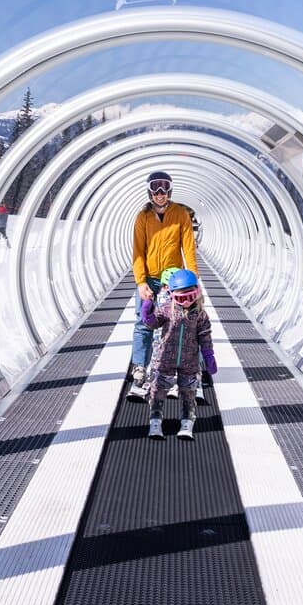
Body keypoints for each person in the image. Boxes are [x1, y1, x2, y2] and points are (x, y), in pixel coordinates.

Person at [129, 171, 197, 393]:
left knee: (174, 322)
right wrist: (141, 282)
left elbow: (188, 248)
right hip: (149, 277)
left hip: (173, 280)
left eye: (164, 188)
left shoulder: (180, 214)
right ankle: (140, 365)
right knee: (144, 321)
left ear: (170, 190)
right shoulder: (143, 217)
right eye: (156, 188)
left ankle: (173, 366)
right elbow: (138, 252)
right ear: (150, 191)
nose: (160, 193)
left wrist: (193, 279)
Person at [139, 268, 216, 440]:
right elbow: (153, 323)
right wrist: (147, 309)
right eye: (182, 298)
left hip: (189, 362)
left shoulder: (201, 315)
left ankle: (187, 420)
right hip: (165, 359)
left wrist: (209, 357)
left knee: (188, 391)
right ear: (172, 295)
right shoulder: (167, 309)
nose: (187, 302)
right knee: (158, 388)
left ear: (197, 293)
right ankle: (155, 419)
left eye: (191, 297)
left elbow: (205, 338)